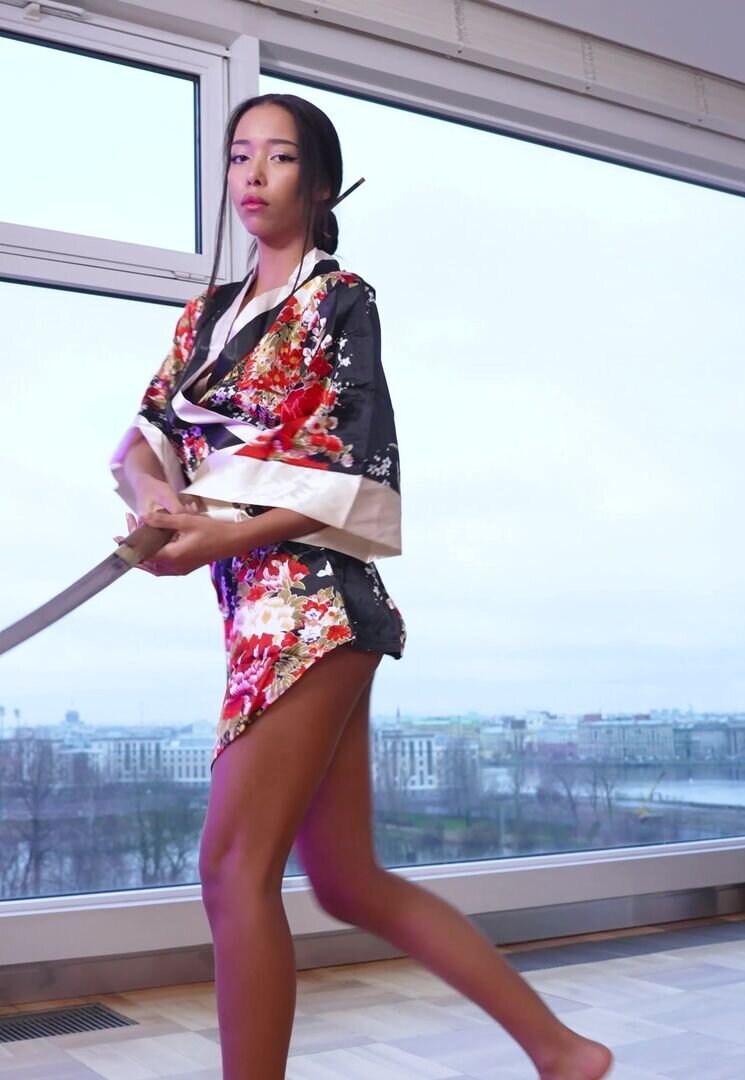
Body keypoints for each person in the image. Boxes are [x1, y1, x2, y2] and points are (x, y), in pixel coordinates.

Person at [107, 93, 614, 1080]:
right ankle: (563, 1051)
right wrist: (156, 498)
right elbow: (139, 443)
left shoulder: (342, 302)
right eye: (239, 155)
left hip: (314, 605)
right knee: (344, 881)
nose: (254, 174)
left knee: (232, 869)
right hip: (258, 610)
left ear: (321, 184)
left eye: (280, 157)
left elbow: (355, 463)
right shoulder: (205, 318)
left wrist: (219, 535)